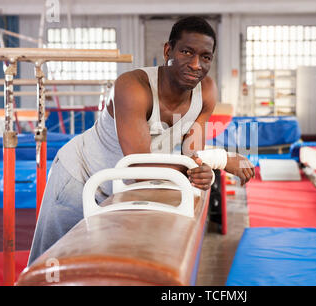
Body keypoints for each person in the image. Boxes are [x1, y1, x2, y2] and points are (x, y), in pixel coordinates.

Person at [28, 16, 255, 265]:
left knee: (100, 264)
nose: (195, 64)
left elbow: (191, 157)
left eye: (205, 57)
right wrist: (221, 159)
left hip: (120, 186)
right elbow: (138, 168)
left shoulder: (206, 92)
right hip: (81, 174)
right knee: (51, 264)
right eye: (187, 52)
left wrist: (202, 171)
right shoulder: (133, 87)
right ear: (168, 50)